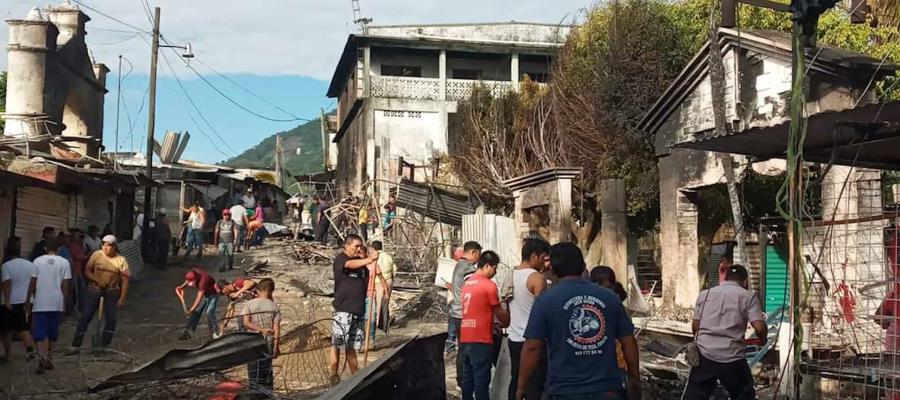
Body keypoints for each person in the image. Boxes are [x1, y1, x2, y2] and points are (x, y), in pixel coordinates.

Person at [517, 243, 640, 400]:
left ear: (553, 269)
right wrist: (634, 379)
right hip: (607, 389)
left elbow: (532, 347)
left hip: (564, 390)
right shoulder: (610, 298)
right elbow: (628, 340)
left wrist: (521, 386)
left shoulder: (545, 301)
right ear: (583, 266)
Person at [685, 264, 766, 400]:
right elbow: (759, 328)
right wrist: (762, 340)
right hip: (732, 358)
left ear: (725, 278)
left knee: (695, 396)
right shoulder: (748, 297)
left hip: (705, 356)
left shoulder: (705, 294)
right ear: (745, 281)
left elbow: (695, 327)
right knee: (744, 395)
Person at [456, 250, 508, 400]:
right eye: (494, 268)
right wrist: (507, 319)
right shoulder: (488, 285)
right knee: (481, 380)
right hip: (481, 338)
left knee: (467, 379)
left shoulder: (468, 283)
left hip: (465, 337)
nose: (495, 272)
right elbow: (498, 311)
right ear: (487, 266)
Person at [329, 234, 378, 381]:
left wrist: (368, 260)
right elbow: (349, 265)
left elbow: (369, 276)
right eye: (356, 246)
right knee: (337, 343)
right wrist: (369, 259)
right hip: (343, 308)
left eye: (360, 246)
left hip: (358, 309)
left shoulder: (362, 264)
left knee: (352, 345)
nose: (358, 249)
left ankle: (354, 376)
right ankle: (333, 374)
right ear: (347, 246)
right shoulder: (341, 259)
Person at [508, 239, 551, 400]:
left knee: (515, 380)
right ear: (534, 256)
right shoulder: (537, 278)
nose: (545, 263)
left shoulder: (511, 274)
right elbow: (543, 312)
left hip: (514, 338)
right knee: (535, 386)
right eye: (543, 258)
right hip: (533, 341)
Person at [72, 235, 130, 348]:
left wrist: (122, 298)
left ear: (114, 247)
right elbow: (87, 271)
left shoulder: (120, 260)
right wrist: (97, 279)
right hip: (95, 289)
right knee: (86, 316)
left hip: (111, 291)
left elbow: (125, 280)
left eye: (109, 245)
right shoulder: (96, 255)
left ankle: (104, 345)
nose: (105, 247)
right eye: (103, 244)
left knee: (111, 319)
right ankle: (76, 344)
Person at [31, 236, 71, 373]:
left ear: (45, 248)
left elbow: (33, 282)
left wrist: (29, 299)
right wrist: (64, 303)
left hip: (40, 301)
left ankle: (42, 358)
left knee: (39, 333)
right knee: (52, 332)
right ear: (59, 248)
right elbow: (65, 285)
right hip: (56, 301)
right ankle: (49, 358)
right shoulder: (64, 263)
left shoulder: (37, 261)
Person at [242, 278, 280, 396]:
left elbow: (246, 323)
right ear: (271, 291)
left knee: (254, 370)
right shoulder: (274, 306)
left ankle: (255, 395)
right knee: (266, 370)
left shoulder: (249, 304)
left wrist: (259, 330)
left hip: (251, 341)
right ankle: (267, 395)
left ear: (259, 290)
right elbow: (277, 329)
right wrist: (275, 347)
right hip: (268, 342)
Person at [1, 237, 37, 361]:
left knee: (6, 331)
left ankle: (8, 355)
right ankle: (30, 351)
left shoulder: (6, 266)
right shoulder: (30, 265)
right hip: (26, 301)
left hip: (10, 301)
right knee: (24, 328)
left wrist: (7, 301)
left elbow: (6, 284)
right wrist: (30, 299)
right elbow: (33, 283)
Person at [590, 266, 629, 371]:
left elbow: (627, 340)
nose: (608, 293)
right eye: (606, 288)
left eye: (610, 289)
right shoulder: (588, 309)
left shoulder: (615, 307)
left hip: (616, 363)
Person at [447, 241, 482, 354]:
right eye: (478, 255)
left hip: (456, 313)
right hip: (465, 314)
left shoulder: (458, 265)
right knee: (468, 351)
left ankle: (461, 371)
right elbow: (473, 290)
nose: (478, 259)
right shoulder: (468, 268)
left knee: (462, 350)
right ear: (474, 252)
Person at [176, 267, 220, 340]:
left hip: (213, 294)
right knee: (196, 313)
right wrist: (182, 287)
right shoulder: (193, 272)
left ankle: (215, 332)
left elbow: (198, 299)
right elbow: (188, 280)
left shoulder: (203, 282)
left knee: (209, 312)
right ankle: (188, 333)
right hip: (205, 293)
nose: (191, 284)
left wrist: (190, 310)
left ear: (196, 279)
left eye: (192, 282)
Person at [363, 245, 389, 349]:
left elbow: (382, 278)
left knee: (372, 318)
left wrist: (386, 291)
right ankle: (361, 340)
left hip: (370, 294)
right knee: (362, 320)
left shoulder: (372, 265)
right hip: (359, 296)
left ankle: (371, 340)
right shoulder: (357, 265)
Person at [372, 241, 395, 332]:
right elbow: (394, 270)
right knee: (385, 304)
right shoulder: (388, 257)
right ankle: (385, 326)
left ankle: (378, 326)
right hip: (389, 280)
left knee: (378, 306)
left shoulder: (375, 257)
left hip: (379, 282)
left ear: (373, 248)